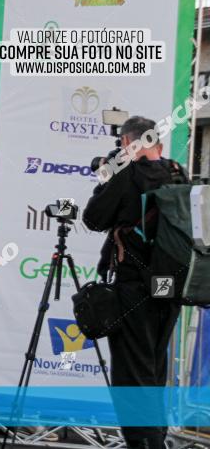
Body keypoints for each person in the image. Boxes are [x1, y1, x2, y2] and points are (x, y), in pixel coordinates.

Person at [83, 116, 186, 449]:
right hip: (169, 285)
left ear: (127, 144)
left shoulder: (127, 173)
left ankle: (144, 442)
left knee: (132, 371)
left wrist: (112, 172)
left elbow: (93, 218)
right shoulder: (176, 172)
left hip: (135, 286)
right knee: (154, 365)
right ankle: (155, 437)